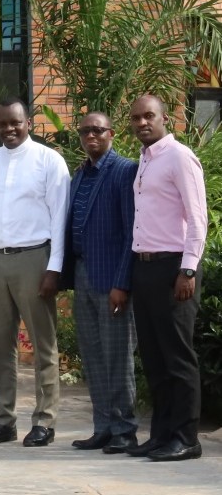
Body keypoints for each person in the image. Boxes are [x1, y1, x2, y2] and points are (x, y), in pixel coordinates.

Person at [0, 98, 70, 447]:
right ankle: (5, 419)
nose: (9, 129)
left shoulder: (48, 161)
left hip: (34, 258)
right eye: (3, 124)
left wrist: (54, 267)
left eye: (16, 123)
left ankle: (45, 420)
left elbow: (59, 219)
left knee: (43, 344)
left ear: (29, 122)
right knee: (0, 346)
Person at [126, 94, 207, 461]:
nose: (142, 123)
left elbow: (197, 218)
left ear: (163, 119)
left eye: (149, 116)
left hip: (175, 268)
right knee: (154, 357)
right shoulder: (145, 160)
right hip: (145, 268)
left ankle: (186, 437)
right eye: (136, 118)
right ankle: (161, 434)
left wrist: (188, 269)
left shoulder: (179, 157)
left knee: (177, 357)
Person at [62, 112, 139, 453]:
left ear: (111, 133)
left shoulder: (124, 171)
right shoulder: (79, 174)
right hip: (82, 274)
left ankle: (124, 430)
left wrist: (122, 282)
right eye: (85, 131)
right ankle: (103, 427)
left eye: (97, 130)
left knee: (117, 357)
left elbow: (131, 232)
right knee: (92, 356)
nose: (90, 135)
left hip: (111, 279)